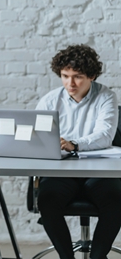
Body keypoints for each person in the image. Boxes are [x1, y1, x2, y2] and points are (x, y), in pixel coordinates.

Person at [36, 44, 121, 259]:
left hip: (99, 173)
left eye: (77, 77)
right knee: (47, 199)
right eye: (65, 76)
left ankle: (98, 257)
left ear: (91, 76)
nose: (70, 83)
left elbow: (105, 135)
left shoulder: (106, 97)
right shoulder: (49, 100)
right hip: (62, 172)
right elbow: (37, 138)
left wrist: (73, 144)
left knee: (116, 200)